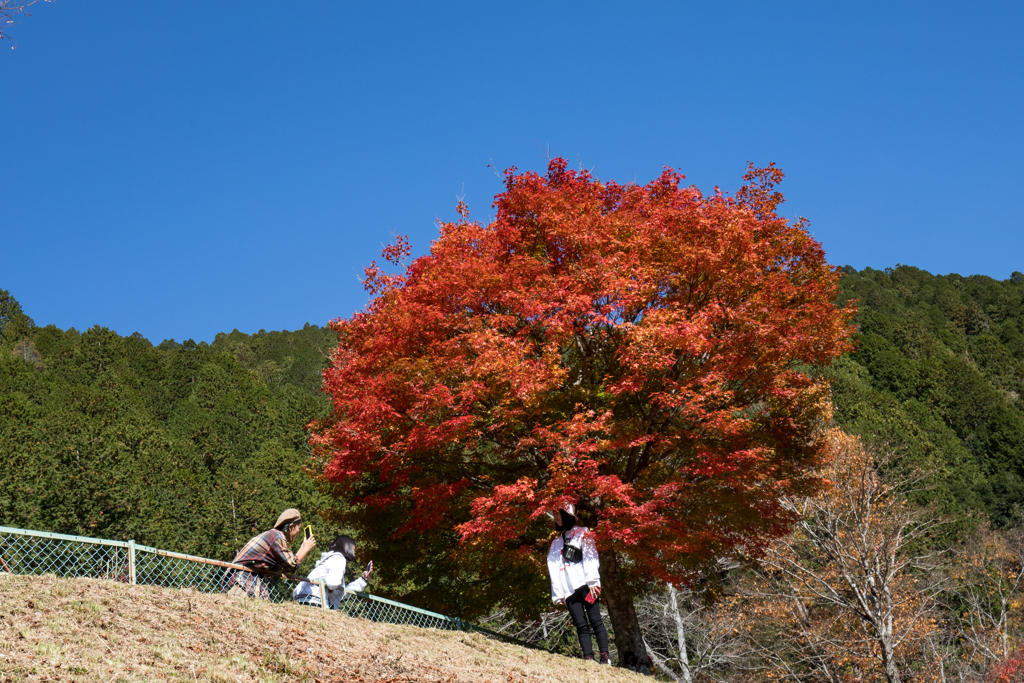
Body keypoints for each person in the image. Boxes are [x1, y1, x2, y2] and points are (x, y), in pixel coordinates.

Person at [547, 502, 610, 665]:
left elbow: (591, 556)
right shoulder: (556, 543)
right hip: (568, 589)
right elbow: (553, 568)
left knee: (595, 620)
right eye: (554, 514)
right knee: (580, 624)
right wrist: (558, 593)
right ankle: (588, 658)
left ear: (567, 514)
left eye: (559, 513)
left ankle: (605, 657)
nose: (556, 517)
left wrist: (593, 581)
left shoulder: (583, 533)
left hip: (585, 583)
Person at [225, 508, 317, 599]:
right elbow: (291, 565)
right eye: (299, 528)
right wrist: (305, 549)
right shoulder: (277, 537)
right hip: (242, 578)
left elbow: (287, 565)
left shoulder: (274, 535)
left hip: (249, 578)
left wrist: (302, 548)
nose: (299, 533)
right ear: (291, 527)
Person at [292, 534, 375, 609]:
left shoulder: (331, 560)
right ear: (347, 547)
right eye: (353, 550)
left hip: (304, 597)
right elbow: (333, 584)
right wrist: (331, 588)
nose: (354, 554)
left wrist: (363, 580)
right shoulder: (339, 558)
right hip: (315, 600)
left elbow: (339, 593)